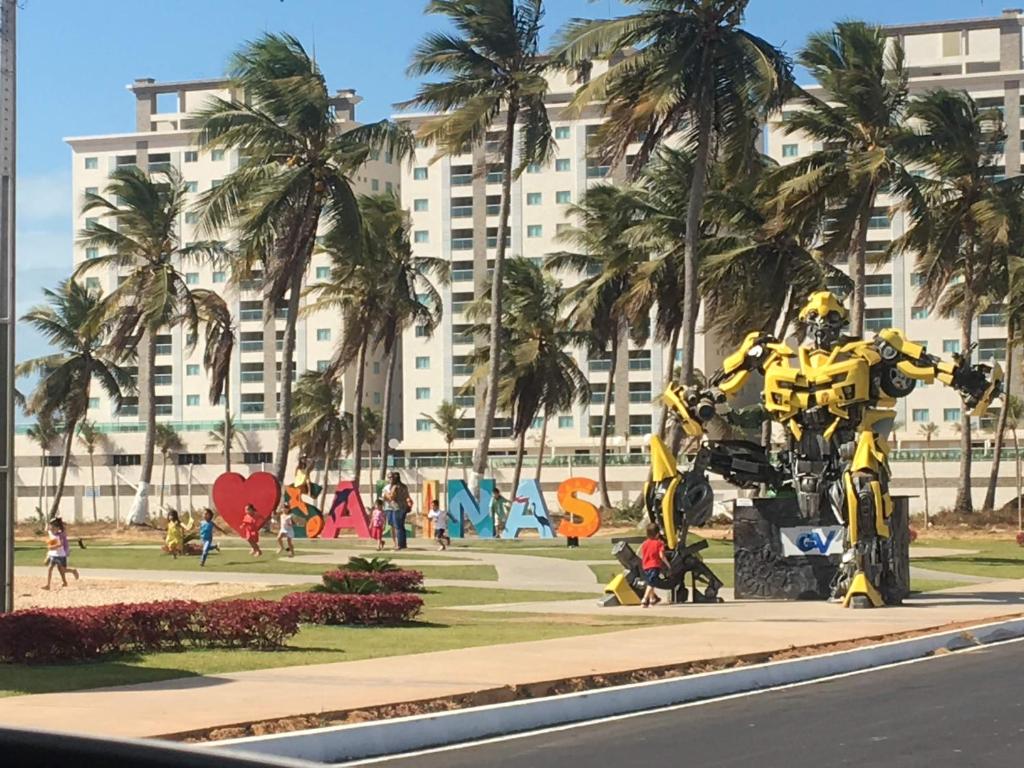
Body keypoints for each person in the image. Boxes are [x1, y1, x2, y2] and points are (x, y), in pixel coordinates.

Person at [639, 523, 671, 608]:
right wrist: (667, 564)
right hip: (654, 565)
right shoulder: (659, 543)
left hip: (645, 566)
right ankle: (644, 599)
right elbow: (661, 555)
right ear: (657, 534)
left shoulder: (645, 543)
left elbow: (642, 554)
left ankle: (652, 599)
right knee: (651, 583)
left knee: (650, 581)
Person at [42, 518, 78, 590]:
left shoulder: (60, 535)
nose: (51, 529)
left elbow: (60, 544)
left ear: (57, 528)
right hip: (53, 554)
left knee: (63, 570)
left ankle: (73, 571)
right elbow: (47, 527)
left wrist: (52, 547)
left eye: (53, 528)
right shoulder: (50, 532)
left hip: (61, 555)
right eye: (51, 527)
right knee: (50, 568)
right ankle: (48, 585)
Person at [384, 472, 411, 550]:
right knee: (401, 526)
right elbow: (407, 496)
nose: (391, 479)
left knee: (398, 526)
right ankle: (403, 544)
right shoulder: (404, 486)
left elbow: (391, 497)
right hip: (404, 507)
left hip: (397, 507)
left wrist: (386, 494)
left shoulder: (395, 487)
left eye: (393, 478)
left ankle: (399, 544)